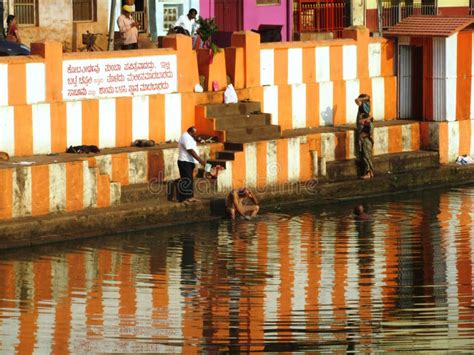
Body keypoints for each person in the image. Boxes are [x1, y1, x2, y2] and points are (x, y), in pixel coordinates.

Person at [177, 126, 205, 203]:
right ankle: (183, 199)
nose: (195, 135)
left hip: (189, 162)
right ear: (190, 132)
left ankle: (190, 197)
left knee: (189, 179)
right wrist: (201, 161)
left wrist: (197, 138)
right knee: (186, 179)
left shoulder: (190, 137)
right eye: (194, 133)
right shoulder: (185, 137)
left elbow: (193, 144)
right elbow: (190, 150)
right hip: (184, 161)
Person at [355, 94, 374, 179]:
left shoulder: (365, 115)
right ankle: (370, 173)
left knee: (366, 156)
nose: (357, 102)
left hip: (366, 139)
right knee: (366, 156)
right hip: (365, 138)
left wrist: (362, 137)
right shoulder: (364, 112)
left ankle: (369, 173)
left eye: (359, 102)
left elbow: (368, 129)